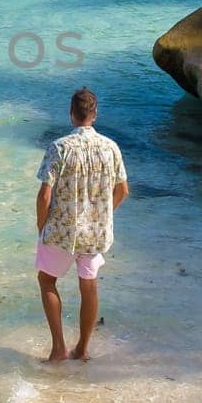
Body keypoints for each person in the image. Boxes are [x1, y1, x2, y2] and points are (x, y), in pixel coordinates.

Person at [35, 88, 129, 363]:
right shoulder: (111, 147)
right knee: (89, 286)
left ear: (71, 114)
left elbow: (44, 195)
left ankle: (58, 349)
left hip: (62, 230)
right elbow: (123, 190)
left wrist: (42, 226)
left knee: (47, 281)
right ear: (95, 113)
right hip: (95, 233)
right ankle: (83, 349)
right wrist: (102, 215)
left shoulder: (59, 147)